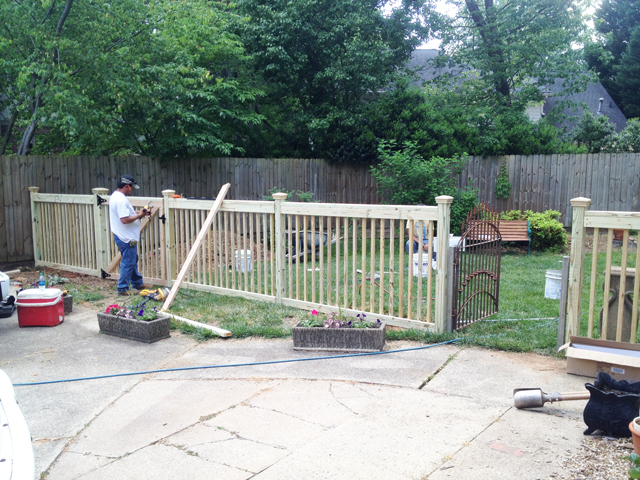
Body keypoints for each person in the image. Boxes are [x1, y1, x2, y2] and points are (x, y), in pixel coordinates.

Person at [109, 175, 153, 295]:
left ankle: (137, 282)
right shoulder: (121, 200)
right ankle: (123, 288)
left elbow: (128, 213)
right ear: (127, 186)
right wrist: (140, 215)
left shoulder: (116, 196)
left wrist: (141, 212)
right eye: (132, 188)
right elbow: (125, 219)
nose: (132, 190)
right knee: (128, 262)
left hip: (122, 235)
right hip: (126, 237)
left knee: (132, 259)